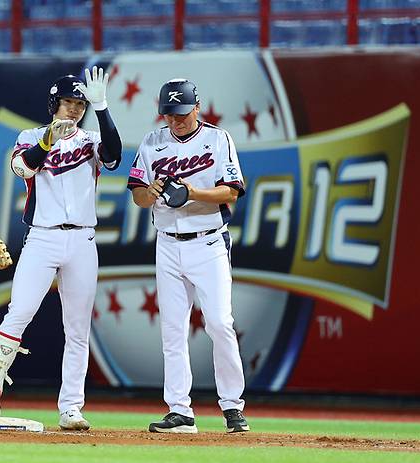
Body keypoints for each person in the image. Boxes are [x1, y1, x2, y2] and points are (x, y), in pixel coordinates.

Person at [0, 66, 122, 431]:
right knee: (20, 310)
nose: (73, 109)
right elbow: (22, 169)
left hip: (83, 239)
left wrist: (102, 108)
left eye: (80, 104)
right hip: (42, 237)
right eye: (68, 102)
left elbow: (115, 157)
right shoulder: (31, 136)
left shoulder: (90, 139)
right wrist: (47, 142)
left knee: (77, 327)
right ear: (53, 104)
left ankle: (71, 407)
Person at [127, 79, 249, 434]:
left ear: (197, 107)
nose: (176, 120)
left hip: (208, 242)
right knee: (172, 329)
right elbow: (138, 195)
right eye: (169, 114)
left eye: (182, 112)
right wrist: (149, 193)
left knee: (219, 323)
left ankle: (232, 406)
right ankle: (180, 410)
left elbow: (232, 193)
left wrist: (193, 192)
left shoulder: (218, 139)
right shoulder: (152, 142)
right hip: (167, 243)